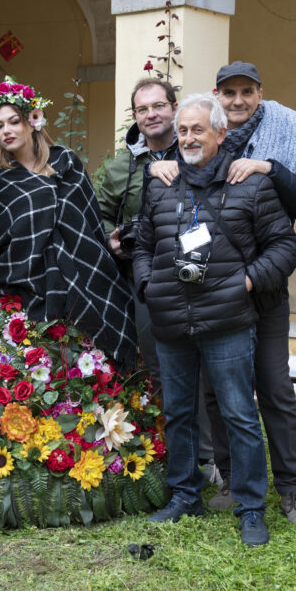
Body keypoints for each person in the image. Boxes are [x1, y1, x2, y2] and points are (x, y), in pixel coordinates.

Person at [136, 93, 296, 546]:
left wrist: (246, 283)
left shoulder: (248, 183)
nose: (188, 138)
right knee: (179, 413)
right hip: (171, 318)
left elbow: (286, 248)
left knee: (239, 414)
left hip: (228, 318)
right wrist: (149, 285)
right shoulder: (161, 184)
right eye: (183, 130)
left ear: (220, 134)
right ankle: (184, 494)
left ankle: (251, 507)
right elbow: (142, 244)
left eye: (198, 130)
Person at [188, 62, 296, 526]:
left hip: (263, 290)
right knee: (219, 392)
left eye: (247, 91)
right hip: (213, 297)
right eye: (229, 93)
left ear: (260, 95)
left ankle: (291, 489)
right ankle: (230, 478)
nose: (238, 100)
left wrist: (271, 168)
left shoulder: (285, 138)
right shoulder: (205, 140)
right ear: (217, 96)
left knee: (274, 389)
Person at [95, 77, 220, 480]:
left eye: (158, 106)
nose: (151, 115)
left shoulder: (196, 152)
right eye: (142, 109)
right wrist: (110, 240)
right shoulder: (119, 169)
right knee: (158, 368)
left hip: (203, 276)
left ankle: (209, 457)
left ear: (173, 107)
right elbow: (96, 215)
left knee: (205, 367)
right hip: (145, 277)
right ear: (134, 116)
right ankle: (165, 452)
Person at [0, 77, 137, 366]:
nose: (7, 131)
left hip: (82, 276)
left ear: (32, 121)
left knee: (86, 373)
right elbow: (1, 239)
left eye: (13, 121)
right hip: (26, 287)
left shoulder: (67, 162)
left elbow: (89, 221)